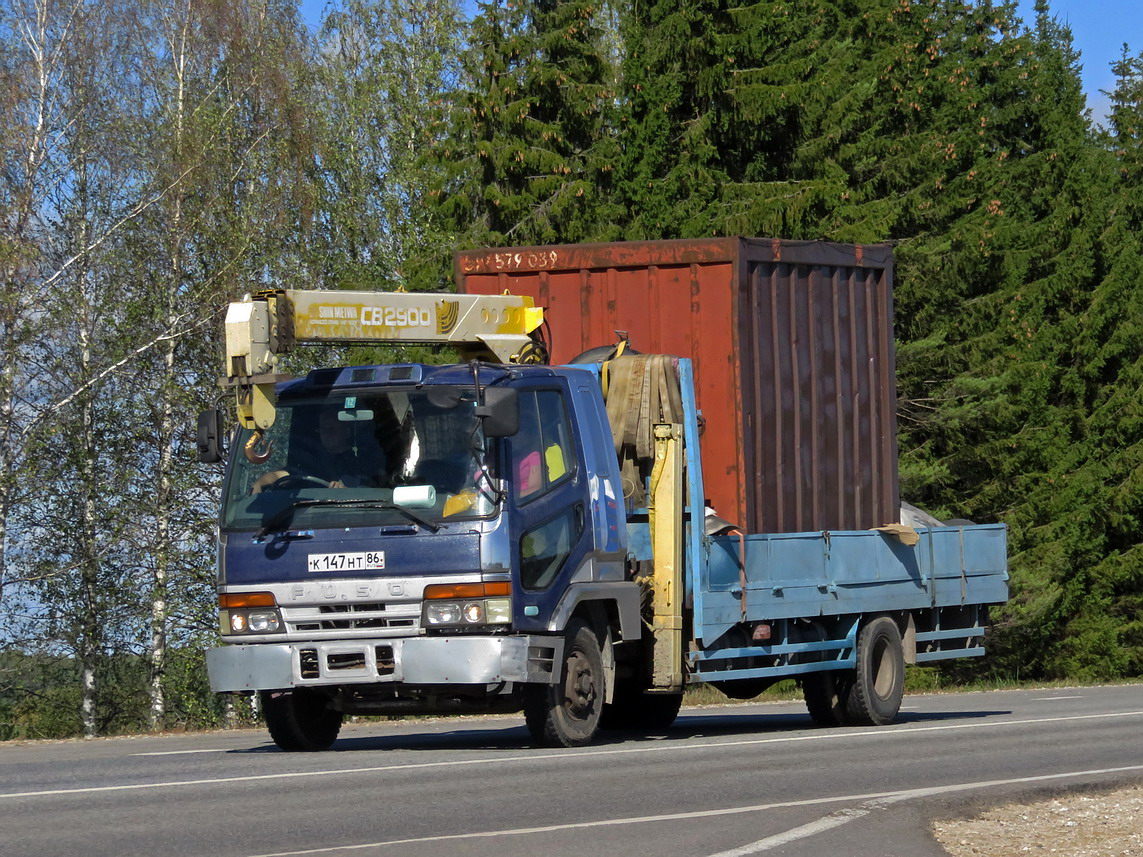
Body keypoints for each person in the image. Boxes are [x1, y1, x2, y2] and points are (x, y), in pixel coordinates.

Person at [252, 406, 382, 493]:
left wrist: (345, 492)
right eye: (323, 429)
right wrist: (260, 484)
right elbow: (278, 475)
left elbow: (375, 489)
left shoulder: (362, 463)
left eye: (331, 429)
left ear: (346, 431)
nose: (326, 433)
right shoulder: (311, 461)